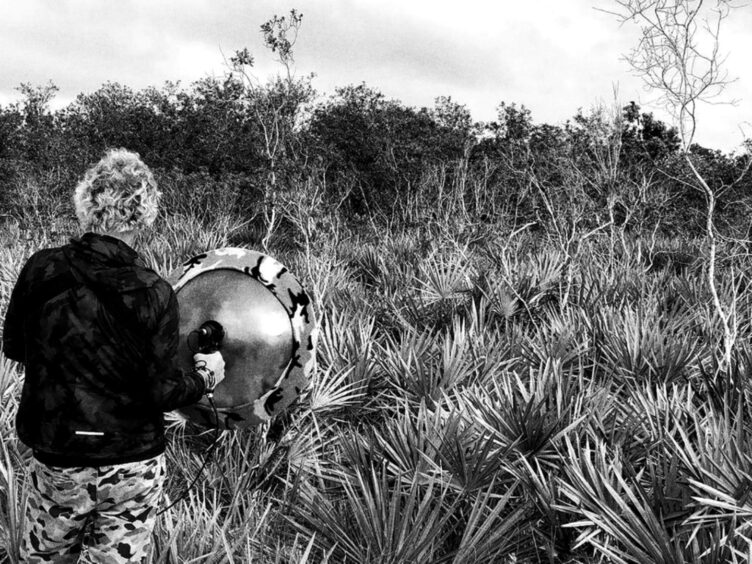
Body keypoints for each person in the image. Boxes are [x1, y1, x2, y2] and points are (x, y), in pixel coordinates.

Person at [2, 148, 226, 562]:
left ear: (86, 203)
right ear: (145, 213)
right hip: (131, 462)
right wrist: (206, 378)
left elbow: (15, 347)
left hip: (58, 456)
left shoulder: (40, 269)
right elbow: (161, 391)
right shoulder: (153, 291)